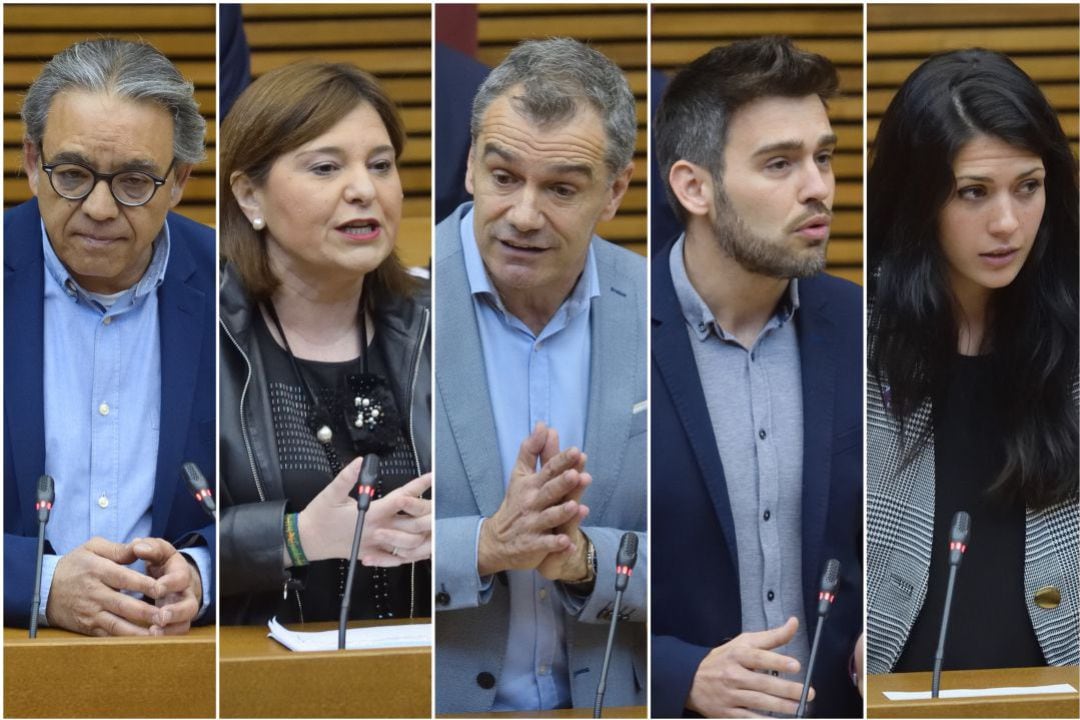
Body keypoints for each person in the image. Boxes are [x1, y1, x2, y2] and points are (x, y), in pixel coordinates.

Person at [650, 37, 863, 717]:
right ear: (694, 186)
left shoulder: (871, 331)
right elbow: (558, 577)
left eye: (823, 157)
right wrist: (678, 674)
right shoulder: (608, 333)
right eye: (780, 164)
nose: (818, 188)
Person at [434, 38, 646, 713]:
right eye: (504, 178)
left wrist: (589, 563)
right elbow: (332, 552)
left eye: (560, 188)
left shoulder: (659, 310)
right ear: (469, 165)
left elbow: (721, 561)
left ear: (615, 190)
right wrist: (484, 547)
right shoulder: (389, 301)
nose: (524, 215)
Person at [866, 49, 1078, 674]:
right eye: (973, 193)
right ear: (918, 201)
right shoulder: (852, 346)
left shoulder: (1068, 338)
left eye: (1029, 187)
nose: (1008, 223)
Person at [4, 38, 214, 636]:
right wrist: (38, 584)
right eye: (71, 174)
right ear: (30, 163)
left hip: (182, 660)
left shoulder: (237, 287)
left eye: (132, 181)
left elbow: (280, 494)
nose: (98, 207)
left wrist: (203, 571)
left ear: (177, 182)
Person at [219, 61, 432, 625]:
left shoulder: (442, 327)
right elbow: (158, 541)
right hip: (254, 685)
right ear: (249, 196)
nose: (364, 190)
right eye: (325, 167)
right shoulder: (198, 337)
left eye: (381, 165)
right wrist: (295, 537)